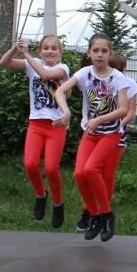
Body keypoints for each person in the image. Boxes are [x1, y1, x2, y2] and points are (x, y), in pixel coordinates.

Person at [53, 33, 129, 242]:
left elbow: (123, 109)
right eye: (96, 51)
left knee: (91, 169)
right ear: (89, 53)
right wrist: (66, 112)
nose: (100, 55)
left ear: (110, 54)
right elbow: (59, 91)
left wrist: (100, 119)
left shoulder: (118, 77)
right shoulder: (85, 73)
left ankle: (107, 215)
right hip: (90, 133)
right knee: (79, 174)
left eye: (104, 51)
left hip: (111, 134)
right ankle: (94, 216)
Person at [0, 35, 70, 228]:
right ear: (40, 50)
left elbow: (46, 76)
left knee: (50, 168)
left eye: (54, 48)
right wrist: (15, 48)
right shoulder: (33, 62)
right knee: (30, 164)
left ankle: (57, 203)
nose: (50, 51)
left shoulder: (63, 69)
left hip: (56, 125)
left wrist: (27, 55)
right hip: (36, 124)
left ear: (60, 53)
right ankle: (40, 195)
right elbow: (3, 62)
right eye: (46, 47)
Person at [102, 51, 137, 204]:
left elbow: (130, 113)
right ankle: (90, 207)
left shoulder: (130, 84)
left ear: (123, 68)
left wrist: (116, 125)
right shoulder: (102, 80)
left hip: (117, 133)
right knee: (93, 171)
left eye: (118, 68)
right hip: (98, 132)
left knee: (109, 173)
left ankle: (105, 206)